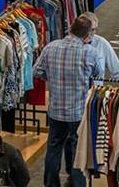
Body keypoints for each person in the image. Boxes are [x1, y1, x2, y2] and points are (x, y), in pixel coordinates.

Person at [34, 16, 105, 187]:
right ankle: (76, 184)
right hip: (78, 113)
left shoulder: (51, 47)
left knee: (53, 148)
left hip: (56, 110)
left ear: (70, 28)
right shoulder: (91, 53)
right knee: (78, 151)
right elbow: (98, 80)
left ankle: (51, 184)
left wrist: (51, 78)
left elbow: (36, 71)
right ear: (87, 36)